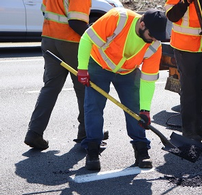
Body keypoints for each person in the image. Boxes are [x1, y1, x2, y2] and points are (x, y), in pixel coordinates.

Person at [76, 8, 167, 171]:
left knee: (135, 110)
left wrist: (145, 110)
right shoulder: (117, 18)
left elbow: (148, 80)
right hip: (99, 66)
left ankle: (141, 150)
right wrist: (82, 68)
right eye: (151, 35)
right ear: (142, 24)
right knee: (93, 108)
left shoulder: (155, 45)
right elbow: (86, 39)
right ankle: (92, 151)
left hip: (127, 72)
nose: (153, 39)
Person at [24, 0, 94, 150]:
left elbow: (45, 11)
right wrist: (96, 39)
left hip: (50, 39)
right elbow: (76, 22)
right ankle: (87, 133)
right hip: (71, 42)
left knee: (50, 88)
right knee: (84, 88)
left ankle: (34, 132)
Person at [165, 0, 202, 141]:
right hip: (184, 48)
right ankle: (189, 130)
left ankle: (198, 126)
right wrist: (184, 2)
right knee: (189, 90)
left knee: (199, 88)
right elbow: (171, 16)